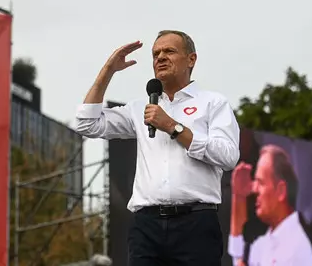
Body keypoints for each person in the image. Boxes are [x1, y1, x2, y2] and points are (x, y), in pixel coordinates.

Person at [75, 30, 240, 266]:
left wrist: (173, 127)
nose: (160, 57)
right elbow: (86, 123)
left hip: (196, 223)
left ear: (191, 59)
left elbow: (228, 156)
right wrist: (108, 69)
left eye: (169, 51)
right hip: (146, 227)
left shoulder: (213, 103)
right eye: (156, 53)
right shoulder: (140, 108)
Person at [228, 145, 312, 266]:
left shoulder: (295, 248)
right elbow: (240, 260)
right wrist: (239, 197)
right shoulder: (268, 241)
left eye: (261, 182)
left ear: (280, 191)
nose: (254, 189)